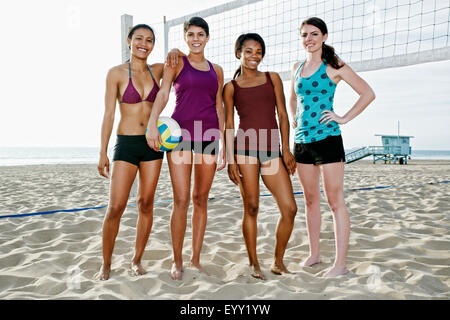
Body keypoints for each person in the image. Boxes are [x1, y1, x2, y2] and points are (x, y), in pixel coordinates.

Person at [289, 17, 376, 277]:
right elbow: (292, 98)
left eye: (314, 34)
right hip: (302, 141)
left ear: (324, 36)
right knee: (310, 200)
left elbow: (367, 93)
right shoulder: (296, 66)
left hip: (328, 138)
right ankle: (314, 254)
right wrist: (295, 118)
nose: (309, 39)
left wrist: (344, 117)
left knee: (335, 201)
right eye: (304, 35)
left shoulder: (333, 65)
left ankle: (340, 265)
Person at [146, 17, 226, 280]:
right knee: (180, 200)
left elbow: (219, 106)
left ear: (207, 37)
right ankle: (177, 261)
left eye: (200, 34)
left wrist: (223, 141)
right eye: (190, 34)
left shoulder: (217, 70)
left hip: (209, 136)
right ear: (185, 37)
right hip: (180, 135)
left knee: (200, 200)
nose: (196, 38)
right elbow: (163, 93)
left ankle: (195, 259)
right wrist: (152, 124)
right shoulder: (176, 62)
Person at [223, 33, 297, 280]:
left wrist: (286, 149)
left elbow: (283, 116)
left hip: (272, 150)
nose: (254, 56)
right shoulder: (230, 87)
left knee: (290, 208)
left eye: (258, 51)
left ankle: (278, 261)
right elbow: (228, 125)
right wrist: (231, 160)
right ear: (239, 53)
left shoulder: (272, 78)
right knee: (252, 207)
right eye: (249, 51)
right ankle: (254, 263)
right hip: (244, 150)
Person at [96, 24, 165, 281]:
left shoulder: (157, 70)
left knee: (146, 204)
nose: (143, 44)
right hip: (126, 144)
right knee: (116, 206)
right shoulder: (115, 73)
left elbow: (180, 62)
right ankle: (106, 264)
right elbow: (109, 114)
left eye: (149, 40)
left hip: (153, 146)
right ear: (129, 41)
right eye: (139, 39)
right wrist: (103, 152)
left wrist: (178, 50)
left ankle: (136, 260)